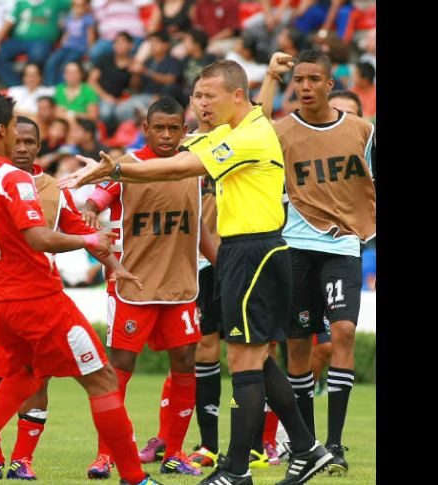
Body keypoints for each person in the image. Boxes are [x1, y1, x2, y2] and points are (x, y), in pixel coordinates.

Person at [59, 59, 334, 485]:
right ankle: (306, 447)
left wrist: (116, 169)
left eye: (209, 95)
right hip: (243, 252)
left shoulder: (248, 137)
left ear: (236, 96)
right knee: (256, 361)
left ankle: (237, 470)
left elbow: (181, 167)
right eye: (198, 96)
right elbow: (197, 143)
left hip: (255, 251)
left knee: (243, 363)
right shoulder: (236, 128)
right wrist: (270, 78)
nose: (201, 104)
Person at [0, 91, 163, 485]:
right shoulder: (13, 178)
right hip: (37, 300)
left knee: (27, 370)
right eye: (14, 128)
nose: (17, 139)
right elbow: (39, 238)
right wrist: (88, 239)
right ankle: (134, 477)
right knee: (102, 379)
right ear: (2, 130)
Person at [80, 96, 218, 478]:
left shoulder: (193, 167)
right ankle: (106, 455)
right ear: (145, 129)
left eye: (174, 128)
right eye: (159, 128)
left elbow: (198, 226)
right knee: (120, 366)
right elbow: (98, 197)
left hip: (181, 287)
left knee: (185, 363)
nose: (167, 135)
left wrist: (223, 265)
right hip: (133, 286)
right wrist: (90, 209)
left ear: (184, 131)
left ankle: (174, 452)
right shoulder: (127, 166)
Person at [260, 49, 375, 476]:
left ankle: (336, 444)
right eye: (299, 80)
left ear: (330, 84)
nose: (305, 86)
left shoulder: (363, 131)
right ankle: (306, 446)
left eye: (313, 79)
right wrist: (271, 77)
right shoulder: (282, 130)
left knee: (342, 331)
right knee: (298, 344)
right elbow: (252, 127)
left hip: (342, 245)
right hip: (295, 247)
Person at [0, 0, 69, 88]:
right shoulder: (21, 3)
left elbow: (76, 3)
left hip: (41, 42)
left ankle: (33, 84)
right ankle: (18, 86)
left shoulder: (55, 2)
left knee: (38, 55)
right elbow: (9, 21)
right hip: (18, 41)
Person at [43, 0, 96, 86]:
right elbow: (66, 33)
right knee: (52, 61)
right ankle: (50, 86)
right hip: (66, 47)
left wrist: (90, 50)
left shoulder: (88, 19)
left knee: (66, 64)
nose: (78, 8)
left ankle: (61, 87)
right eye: (76, 5)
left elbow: (90, 36)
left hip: (79, 49)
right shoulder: (69, 18)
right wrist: (62, 45)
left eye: (81, 5)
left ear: (86, 7)